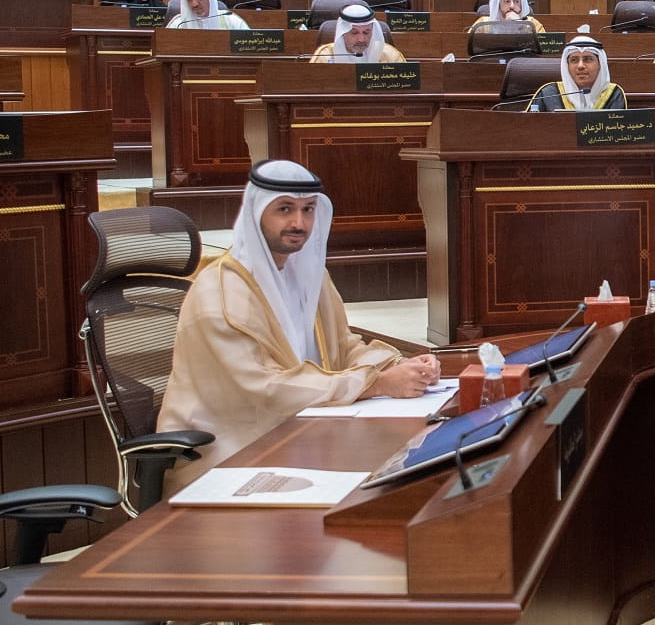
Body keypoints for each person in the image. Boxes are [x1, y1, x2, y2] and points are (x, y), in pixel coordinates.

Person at [157, 161, 443, 492]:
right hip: (231, 456)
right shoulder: (221, 292)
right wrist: (376, 384)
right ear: (256, 213)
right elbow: (267, 390)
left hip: (304, 435)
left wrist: (399, 366)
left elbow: (343, 346)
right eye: (284, 209)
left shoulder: (308, 274)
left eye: (308, 210)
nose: (299, 223)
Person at [528, 35, 626, 110]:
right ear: (567, 65)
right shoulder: (548, 94)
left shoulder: (613, 94)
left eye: (587, 59)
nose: (580, 66)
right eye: (574, 60)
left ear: (600, 64)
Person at [310, 3, 405, 63]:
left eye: (366, 32)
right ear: (343, 33)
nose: (361, 39)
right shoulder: (325, 57)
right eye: (354, 33)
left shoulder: (390, 56)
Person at [470, 0, 545, 30]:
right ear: (498, 5)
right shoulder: (483, 24)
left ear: (522, 5)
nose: (512, 6)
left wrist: (519, 24)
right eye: (507, 1)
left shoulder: (533, 24)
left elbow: (542, 48)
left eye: (516, 1)